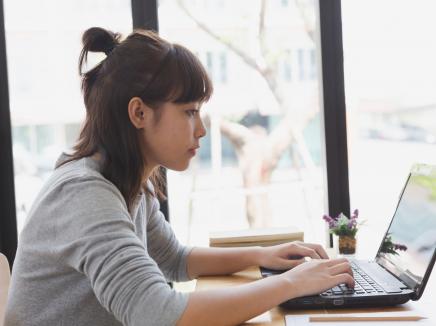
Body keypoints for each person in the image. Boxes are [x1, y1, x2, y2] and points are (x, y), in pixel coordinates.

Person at [4, 27, 354, 326]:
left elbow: (173, 258)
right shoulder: (83, 194)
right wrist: (291, 285)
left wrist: (261, 255)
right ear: (139, 112)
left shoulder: (127, 182)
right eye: (189, 112)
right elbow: (157, 314)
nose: (200, 129)